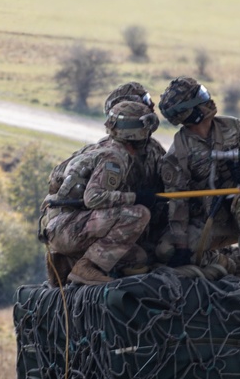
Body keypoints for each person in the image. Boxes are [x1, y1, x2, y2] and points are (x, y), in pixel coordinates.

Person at [158, 77, 240, 282]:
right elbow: (178, 202)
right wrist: (182, 247)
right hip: (208, 219)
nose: (209, 100)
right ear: (189, 112)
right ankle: (229, 262)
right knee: (165, 251)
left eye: (204, 92)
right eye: (201, 97)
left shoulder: (235, 128)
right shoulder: (178, 154)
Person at [44, 82, 169, 271]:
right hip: (73, 227)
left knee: (142, 257)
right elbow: (93, 198)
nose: (151, 107)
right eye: (144, 103)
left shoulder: (151, 150)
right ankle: (85, 267)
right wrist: (137, 198)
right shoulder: (111, 155)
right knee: (138, 215)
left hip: (106, 226)